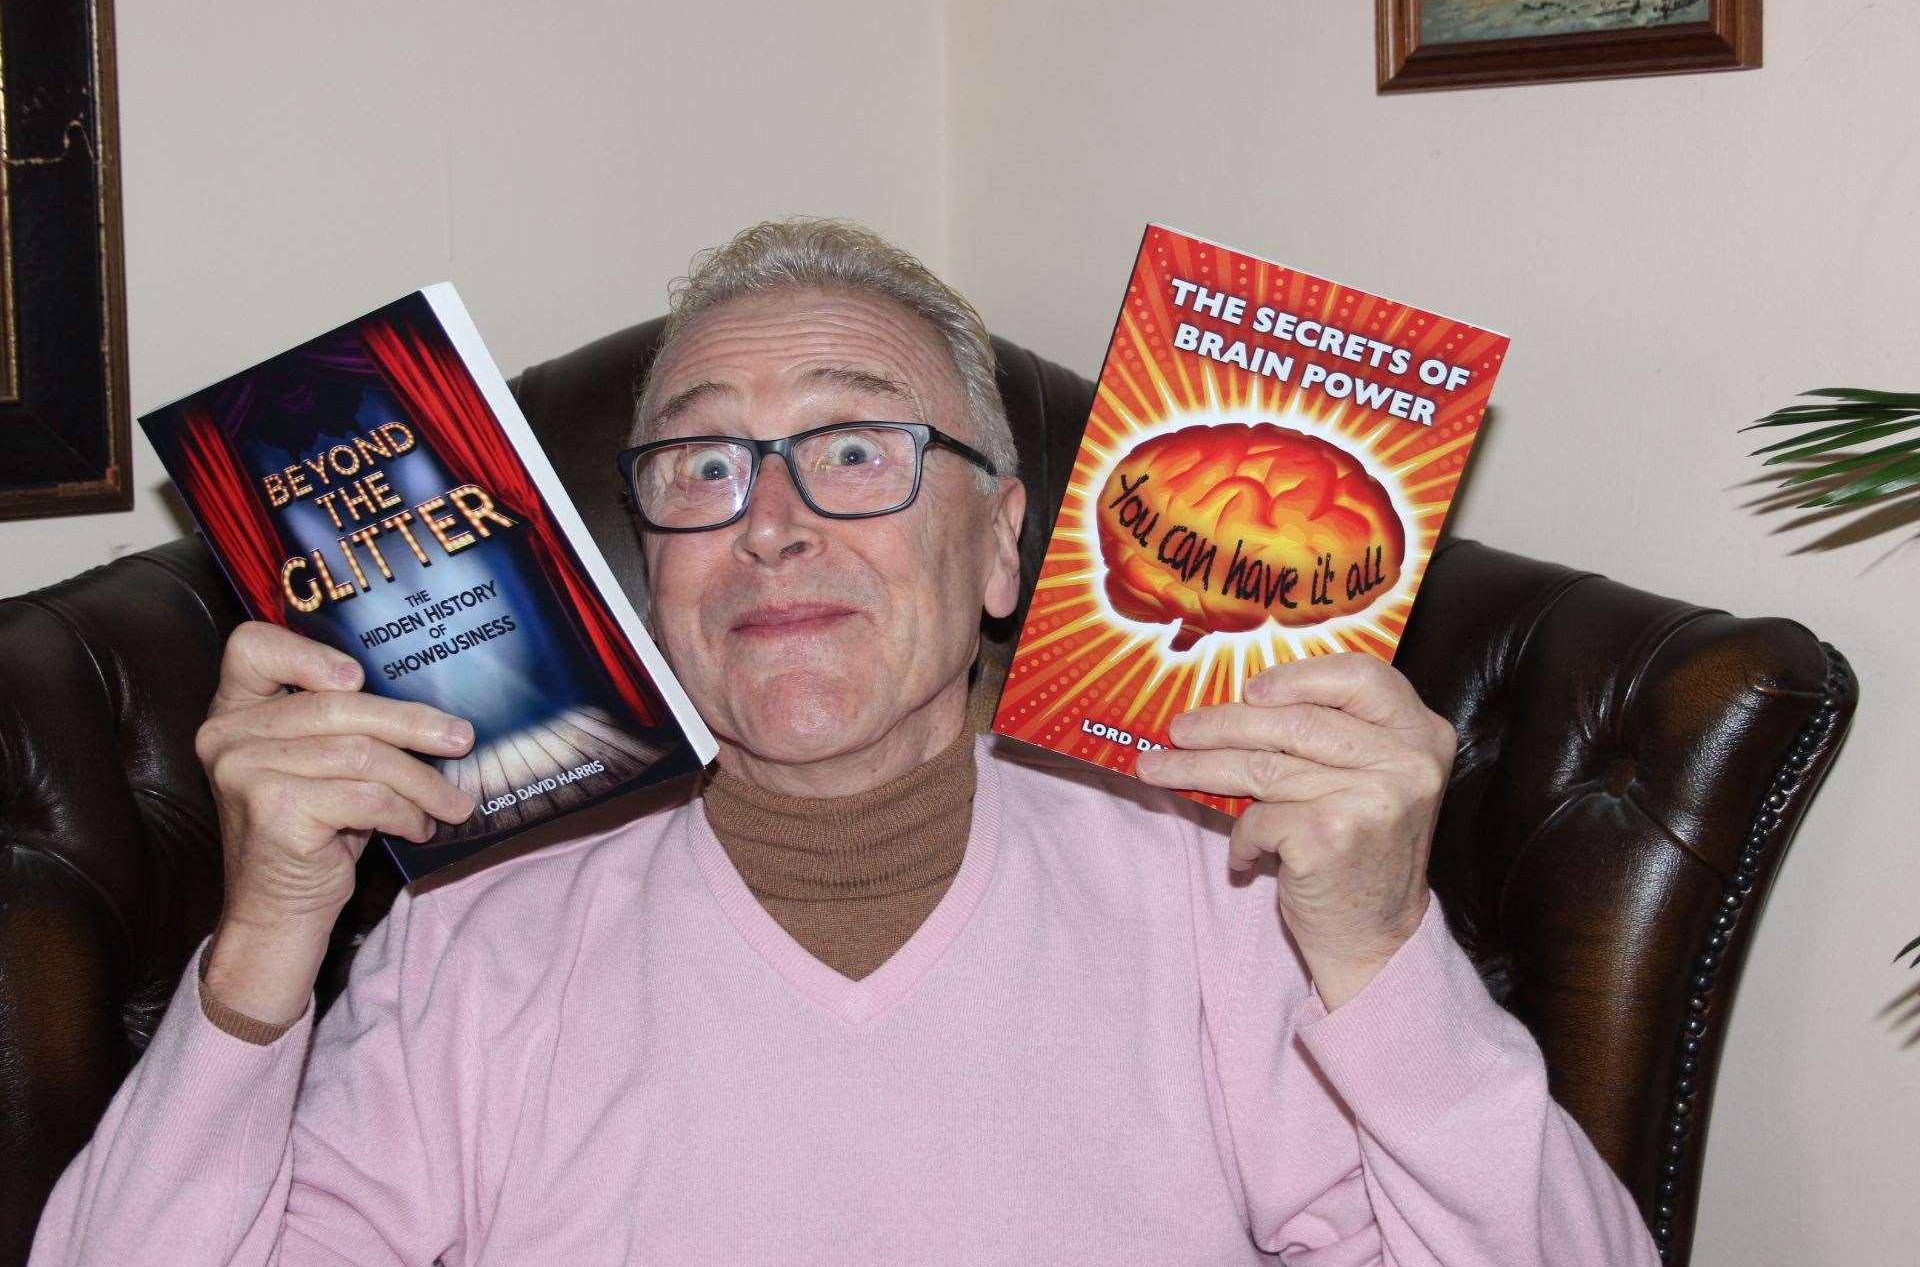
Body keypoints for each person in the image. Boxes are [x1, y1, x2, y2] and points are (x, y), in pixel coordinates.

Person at [31, 219, 1659, 1265]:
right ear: (642, 559)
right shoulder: (482, 922)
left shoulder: (1214, 882)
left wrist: (1380, 953)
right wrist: (262, 956)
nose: (776, 527)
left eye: (858, 449)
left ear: (1007, 546)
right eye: (702, 469)